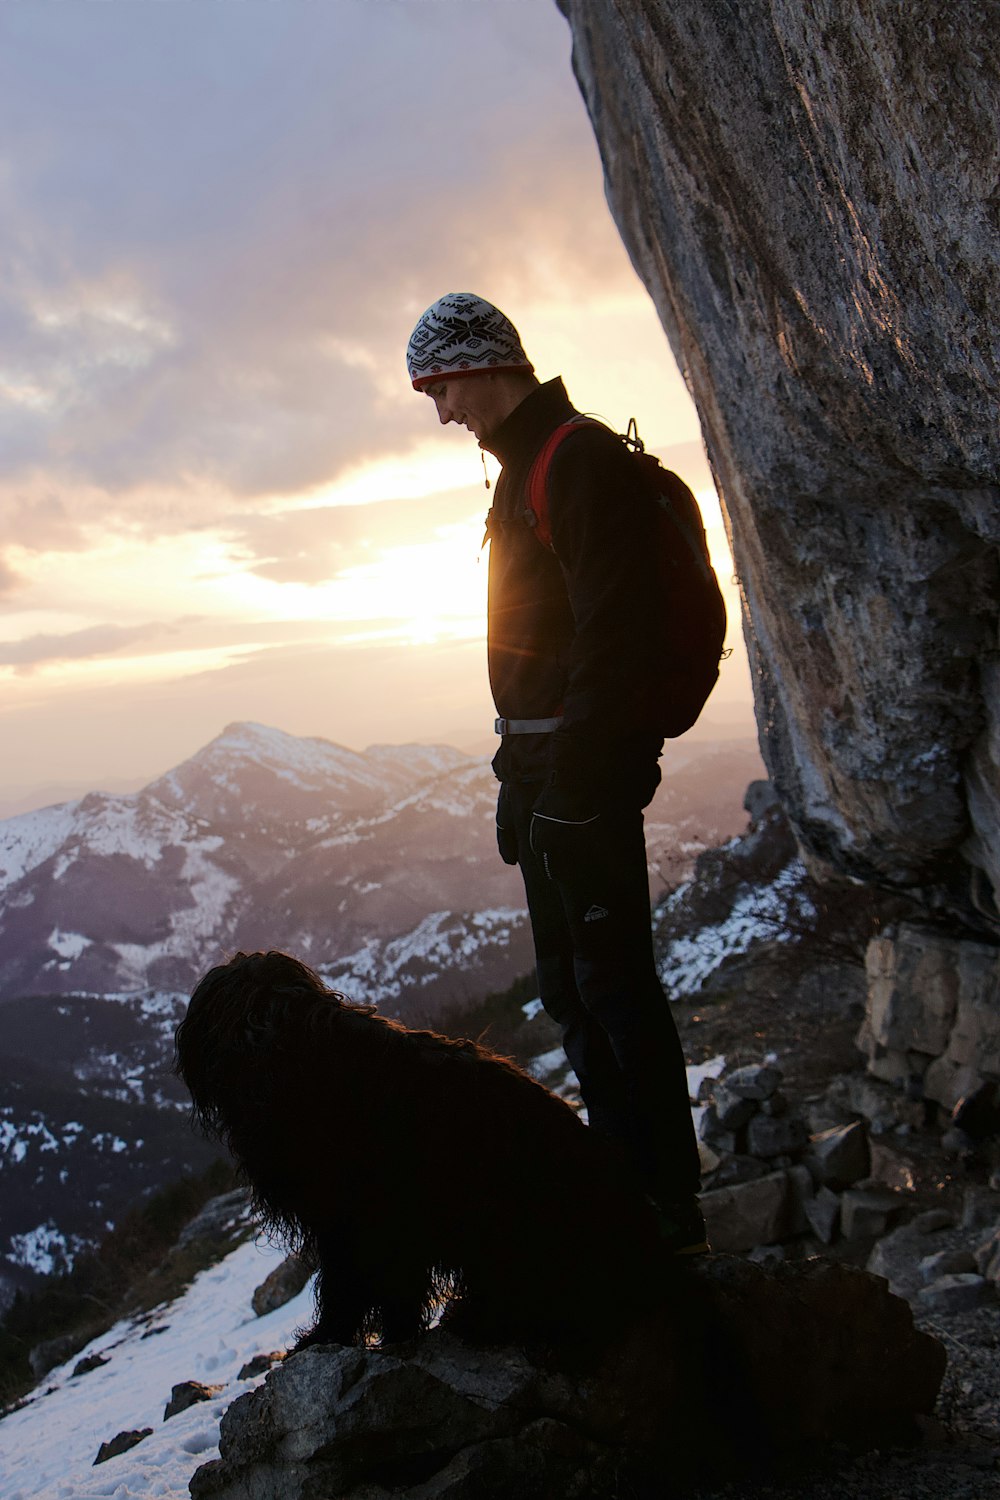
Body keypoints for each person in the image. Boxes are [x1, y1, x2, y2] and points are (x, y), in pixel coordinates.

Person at [406, 292, 706, 1254]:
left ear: (487, 363)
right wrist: (513, 774)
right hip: (543, 766)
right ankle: (623, 1191)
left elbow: (614, 637)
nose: (442, 412)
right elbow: (533, 641)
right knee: (571, 989)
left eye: (442, 385)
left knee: (615, 985)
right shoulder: (521, 473)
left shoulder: (576, 461)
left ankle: (670, 1212)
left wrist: (576, 785)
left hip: (586, 772)